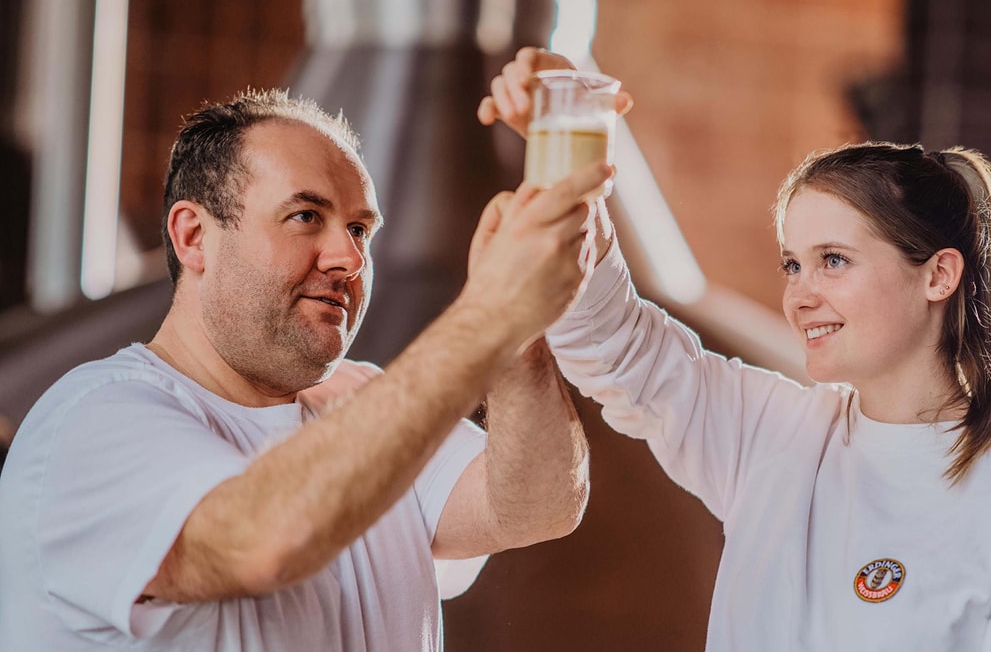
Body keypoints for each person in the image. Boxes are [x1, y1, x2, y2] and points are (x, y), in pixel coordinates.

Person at [479, 49, 991, 650]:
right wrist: (565, 156)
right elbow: (615, 344)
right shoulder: (772, 436)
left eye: (833, 260)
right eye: (793, 265)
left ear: (938, 275)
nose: (800, 296)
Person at [0, 88, 614, 651]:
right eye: (305, 216)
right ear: (194, 237)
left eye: (359, 229)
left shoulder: (360, 402)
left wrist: (519, 334)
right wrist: (486, 315)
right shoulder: (92, 419)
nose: (350, 257)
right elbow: (261, 543)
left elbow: (536, 506)